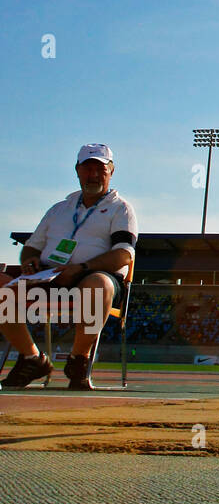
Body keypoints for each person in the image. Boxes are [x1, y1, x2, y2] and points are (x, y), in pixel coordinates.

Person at [0, 144, 137, 390]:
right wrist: (29, 260)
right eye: (87, 169)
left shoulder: (120, 208)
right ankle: (32, 359)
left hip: (93, 278)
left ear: (111, 171)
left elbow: (124, 255)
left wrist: (81, 267)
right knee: (0, 284)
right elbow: (31, 247)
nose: (93, 174)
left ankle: (79, 359)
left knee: (98, 284)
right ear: (77, 171)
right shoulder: (59, 209)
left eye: (100, 169)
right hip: (49, 277)